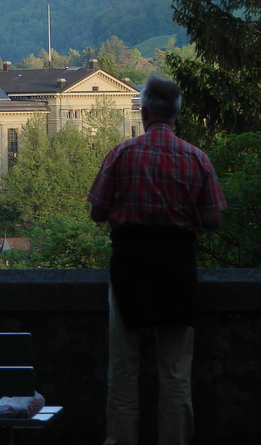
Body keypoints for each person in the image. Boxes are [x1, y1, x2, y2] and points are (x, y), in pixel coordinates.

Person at [87, 74, 225, 445]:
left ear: (144, 112)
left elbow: (98, 213)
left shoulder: (121, 154)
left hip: (130, 268)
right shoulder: (197, 158)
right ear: (177, 115)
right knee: (176, 374)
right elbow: (213, 218)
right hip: (177, 270)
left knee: (124, 373)